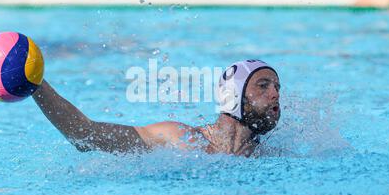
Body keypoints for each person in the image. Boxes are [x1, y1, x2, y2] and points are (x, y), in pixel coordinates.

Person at [32, 60, 281, 157]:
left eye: (277, 87)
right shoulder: (179, 139)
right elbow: (85, 135)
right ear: (232, 96)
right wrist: (35, 85)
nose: (275, 95)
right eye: (263, 85)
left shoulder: (271, 156)